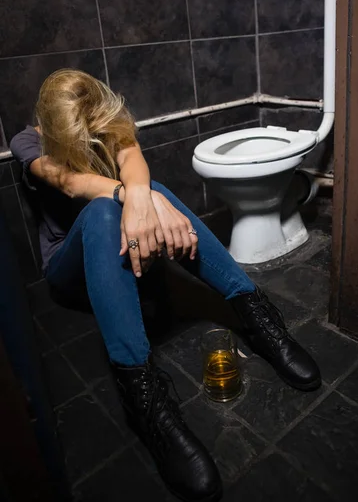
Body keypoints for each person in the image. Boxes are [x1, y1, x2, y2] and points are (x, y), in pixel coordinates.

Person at [11, 69, 320, 502]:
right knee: (107, 208)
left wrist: (144, 193)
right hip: (69, 269)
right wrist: (138, 196)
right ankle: (145, 402)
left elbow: (133, 158)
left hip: (127, 251)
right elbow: (73, 182)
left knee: (146, 186)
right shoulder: (26, 141)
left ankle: (257, 316)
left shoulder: (105, 121)